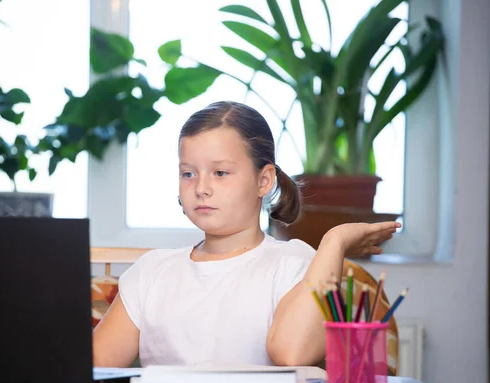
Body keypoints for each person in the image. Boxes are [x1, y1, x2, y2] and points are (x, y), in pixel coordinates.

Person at [93, 101, 399, 367]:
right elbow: (94, 367)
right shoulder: (152, 271)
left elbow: (292, 352)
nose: (201, 188)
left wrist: (334, 242)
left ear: (264, 180)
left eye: (220, 173)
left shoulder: (296, 265)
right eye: (188, 173)